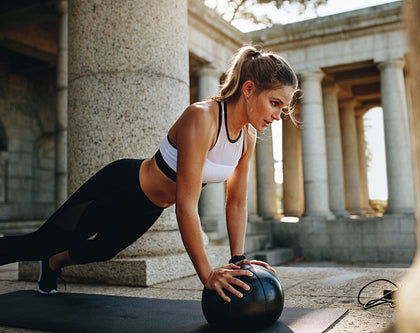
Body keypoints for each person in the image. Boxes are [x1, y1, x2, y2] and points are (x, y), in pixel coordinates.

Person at [0, 45, 299, 302]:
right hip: (119, 186)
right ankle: (46, 253)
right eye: (275, 103)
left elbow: (236, 202)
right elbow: (186, 206)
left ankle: (53, 263)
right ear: (248, 89)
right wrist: (207, 275)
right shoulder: (203, 117)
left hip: (149, 207)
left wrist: (238, 260)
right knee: (39, 241)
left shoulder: (246, 137)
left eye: (283, 108)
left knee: (102, 251)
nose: (277, 115)